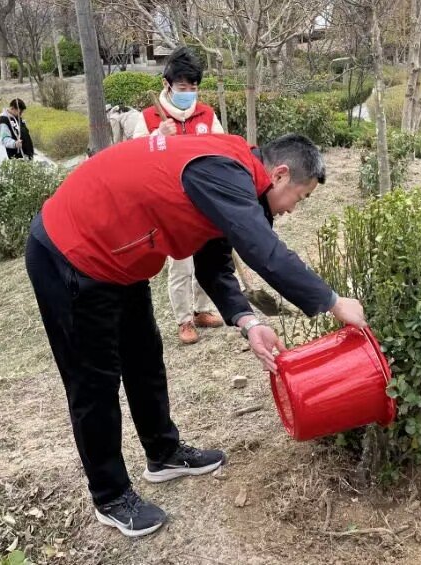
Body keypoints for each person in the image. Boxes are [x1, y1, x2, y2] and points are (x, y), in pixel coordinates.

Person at [25, 132, 366, 538]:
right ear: (280, 174)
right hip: (70, 254)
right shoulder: (223, 173)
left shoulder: (232, 176)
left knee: (144, 359)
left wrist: (248, 322)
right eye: (301, 197)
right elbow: (265, 251)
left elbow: (213, 261)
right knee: (93, 383)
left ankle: (162, 453)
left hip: (121, 258)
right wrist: (332, 301)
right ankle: (110, 496)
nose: (294, 209)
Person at [133, 46, 225, 345]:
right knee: (181, 263)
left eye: (194, 87)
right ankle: (184, 320)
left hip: (204, 203)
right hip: (171, 205)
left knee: (206, 259)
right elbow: (132, 160)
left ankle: (201, 310)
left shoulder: (206, 114)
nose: (189, 93)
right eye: (183, 88)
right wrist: (158, 137)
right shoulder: (148, 119)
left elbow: (222, 151)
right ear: (167, 84)